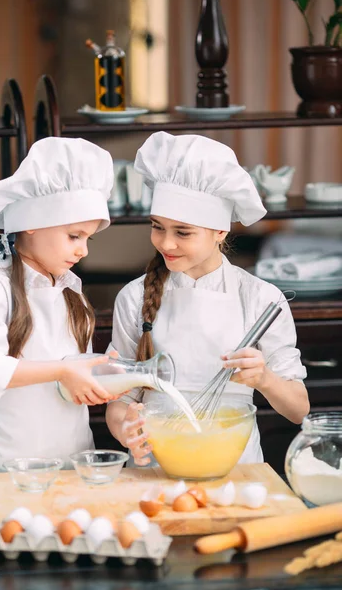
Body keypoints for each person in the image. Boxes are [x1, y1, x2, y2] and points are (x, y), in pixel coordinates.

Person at [105, 131, 309, 466]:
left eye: (183, 232)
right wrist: (125, 430)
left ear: (220, 231)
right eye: (158, 227)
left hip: (237, 469)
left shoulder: (261, 299)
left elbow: (298, 408)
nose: (166, 244)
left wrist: (265, 379)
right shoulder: (133, 297)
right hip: (155, 469)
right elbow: (121, 398)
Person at [0, 137, 115, 474]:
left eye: (88, 238)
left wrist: (97, 375)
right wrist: (61, 370)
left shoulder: (72, 290)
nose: (83, 250)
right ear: (32, 221)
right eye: (74, 236)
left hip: (74, 465)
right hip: (6, 468)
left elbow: (71, 374)